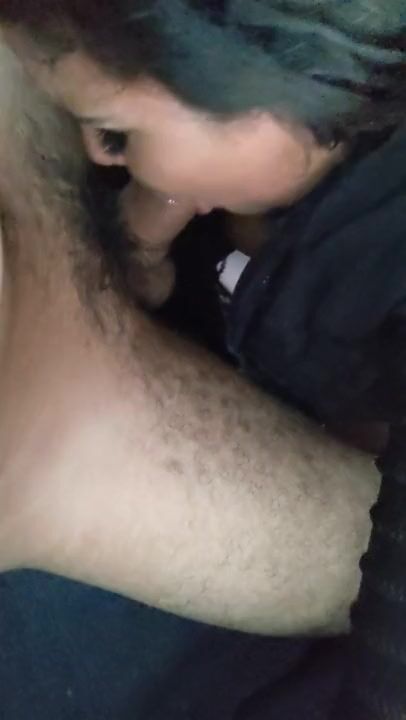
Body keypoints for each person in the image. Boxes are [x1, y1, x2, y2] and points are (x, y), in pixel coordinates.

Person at [0, 36, 379, 638]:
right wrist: (145, 240)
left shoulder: (358, 293)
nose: (100, 153)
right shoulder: (233, 187)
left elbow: (375, 466)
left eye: (117, 133)